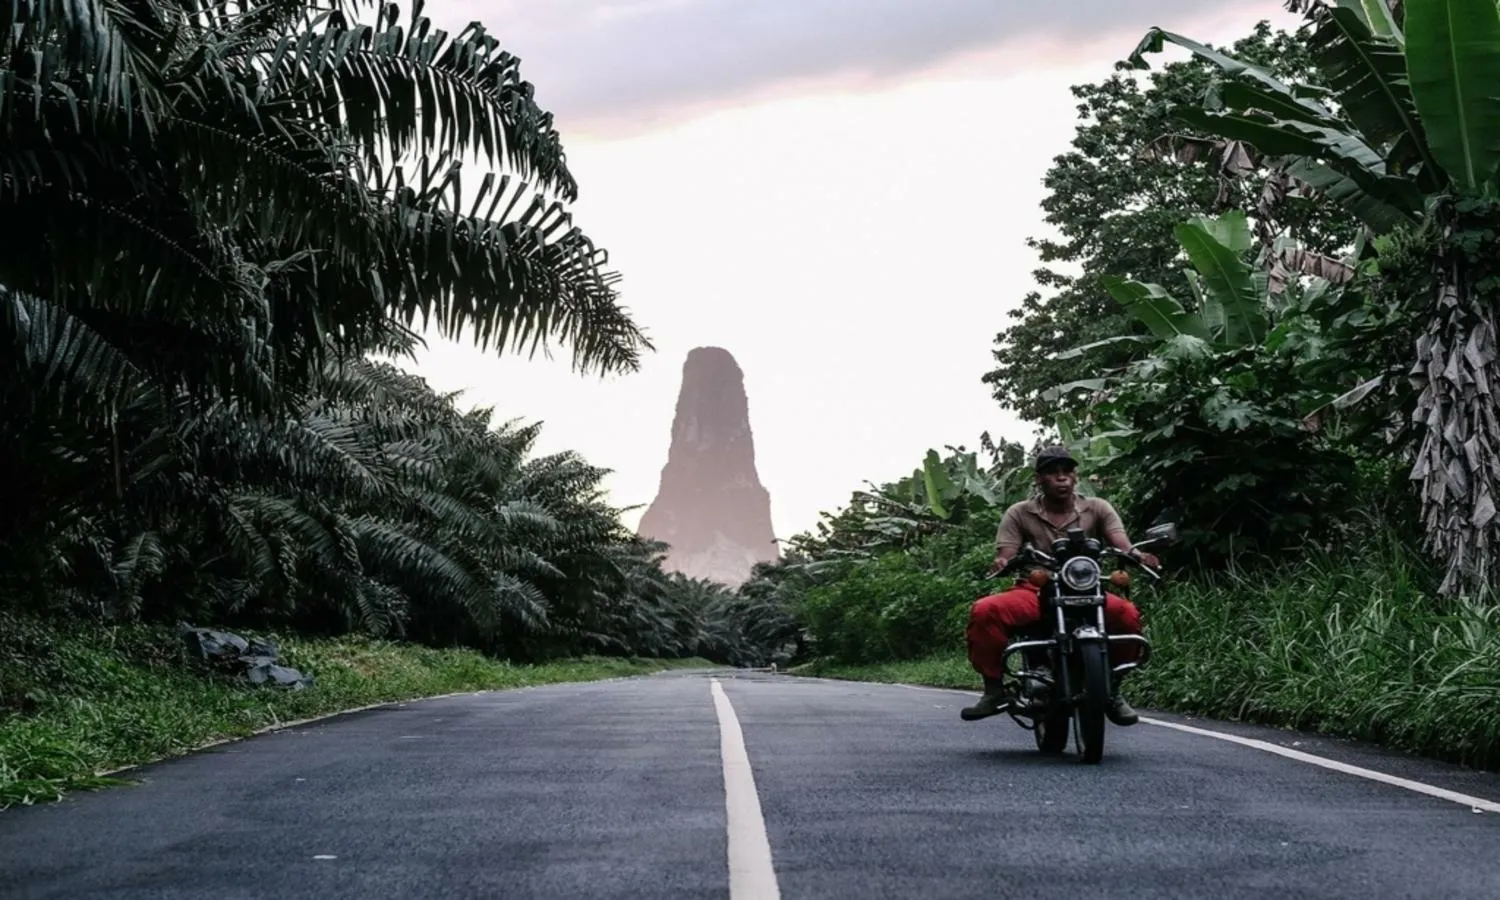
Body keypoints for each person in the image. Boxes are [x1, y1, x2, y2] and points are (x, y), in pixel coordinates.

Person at [960, 445, 1159, 725]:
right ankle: (993, 690)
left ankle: (1113, 689)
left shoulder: (1098, 508)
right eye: (1053, 473)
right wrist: (1002, 563)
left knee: (1126, 614)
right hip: (1035, 588)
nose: (1062, 477)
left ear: (1076, 476)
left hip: (1087, 588)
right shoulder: (1019, 513)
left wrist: (1140, 556)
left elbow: (1121, 543)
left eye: (1067, 471)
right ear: (1039, 479)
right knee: (985, 610)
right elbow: (1005, 553)